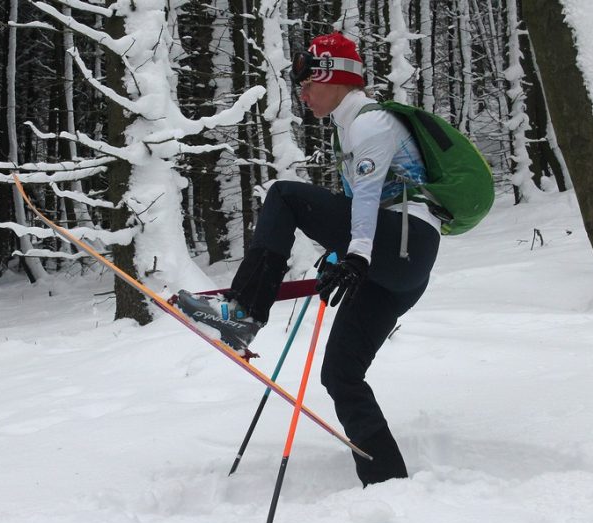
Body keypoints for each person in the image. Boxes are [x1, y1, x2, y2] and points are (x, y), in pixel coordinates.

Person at [176, 31, 441, 487]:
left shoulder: (371, 124)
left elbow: (368, 200)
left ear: (334, 77)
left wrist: (356, 255)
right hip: (402, 265)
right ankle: (388, 482)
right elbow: (362, 203)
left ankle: (242, 313)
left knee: (284, 195)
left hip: (403, 242)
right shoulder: (350, 128)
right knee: (340, 374)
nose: (302, 94)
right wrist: (342, 257)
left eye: (307, 84)